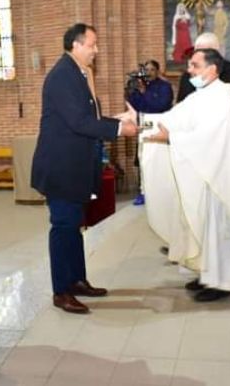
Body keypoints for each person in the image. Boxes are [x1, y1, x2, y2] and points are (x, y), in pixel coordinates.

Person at [141, 48, 230, 301]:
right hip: (205, 172)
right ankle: (208, 275)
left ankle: (224, 282)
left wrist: (171, 137)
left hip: (221, 177)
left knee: (221, 228)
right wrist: (141, 121)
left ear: (212, 69)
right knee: (205, 227)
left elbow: (208, 137)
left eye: (195, 65)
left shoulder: (221, 100)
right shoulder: (200, 96)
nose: (189, 70)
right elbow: (174, 118)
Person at [31, 23, 138, 314]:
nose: (96, 50)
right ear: (76, 45)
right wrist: (119, 128)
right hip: (61, 167)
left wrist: (116, 120)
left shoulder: (77, 74)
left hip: (74, 164)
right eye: (92, 44)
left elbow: (86, 119)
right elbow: (79, 123)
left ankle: (77, 280)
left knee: (74, 227)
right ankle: (61, 291)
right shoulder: (62, 76)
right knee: (63, 227)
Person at [176, 32, 230, 136]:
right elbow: (181, 106)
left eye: (204, 51)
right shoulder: (188, 75)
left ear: (216, 52)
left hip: (224, 134)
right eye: (197, 50)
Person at [127, 60, 174, 206]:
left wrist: (144, 93)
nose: (148, 73)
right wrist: (132, 90)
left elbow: (161, 105)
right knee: (143, 159)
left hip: (159, 124)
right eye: (146, 70)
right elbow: (136, 105)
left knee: (160, 160)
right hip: (144, 123)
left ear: (158, 71)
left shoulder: (164, 87)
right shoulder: (140, 85)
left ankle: (162, 192)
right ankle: (143, 192)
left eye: (152, 69)